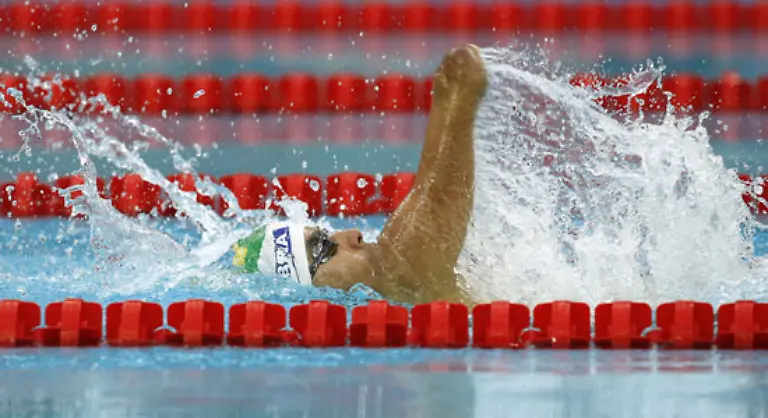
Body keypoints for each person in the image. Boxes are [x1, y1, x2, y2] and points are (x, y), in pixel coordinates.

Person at [232, 44, 487, 306]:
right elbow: (438, 196)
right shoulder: (405, 279)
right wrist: (457, 97)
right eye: (324, 249)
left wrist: (452, 95)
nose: (353, 234)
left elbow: (429, 191)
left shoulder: (398, 274)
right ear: (311, 293)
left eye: (328, 237)